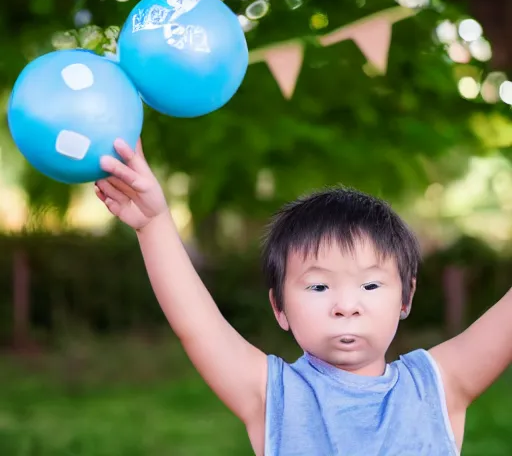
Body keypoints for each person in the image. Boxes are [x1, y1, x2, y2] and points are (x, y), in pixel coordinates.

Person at [95, 138, 512, 456]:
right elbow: (197, 324)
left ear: (406, 297)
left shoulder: (438, 388)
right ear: (279, 308)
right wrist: (153, 224)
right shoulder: (274, 395)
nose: (346, 306)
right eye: (318, 286)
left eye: (370, 285)